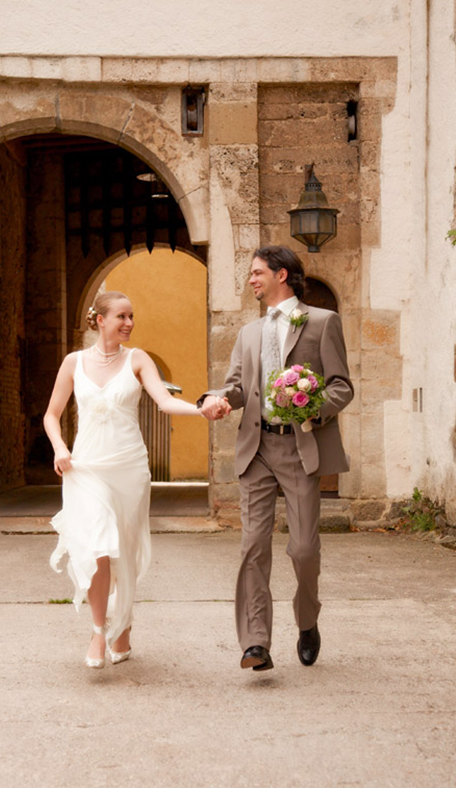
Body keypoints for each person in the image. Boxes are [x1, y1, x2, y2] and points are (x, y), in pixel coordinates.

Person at [199, 246, 353, 673]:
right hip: (257, 448)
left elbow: (342, 386)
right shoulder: (248, 333)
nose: (251, 279)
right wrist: (217, 399)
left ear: (281, 275)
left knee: (303, 549)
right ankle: (256, 644)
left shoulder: (322, 322)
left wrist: (309, 403)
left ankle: (307, 620)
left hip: (300, 448)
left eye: (257, 272)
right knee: (252, 546)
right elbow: (236, 386)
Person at [44, 291, 204, 669]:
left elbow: (165, 402)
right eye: (121, 316)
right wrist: (58, 447)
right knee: (98, 549)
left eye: (131, 316)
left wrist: (201, 410)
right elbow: (51, 414)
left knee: (124, 553)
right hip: (86, 468)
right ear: (99, 320)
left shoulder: (138, 359)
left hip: (129, 468)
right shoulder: (73, 362)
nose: (129, 323)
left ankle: (125, 624)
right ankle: (99, 630)